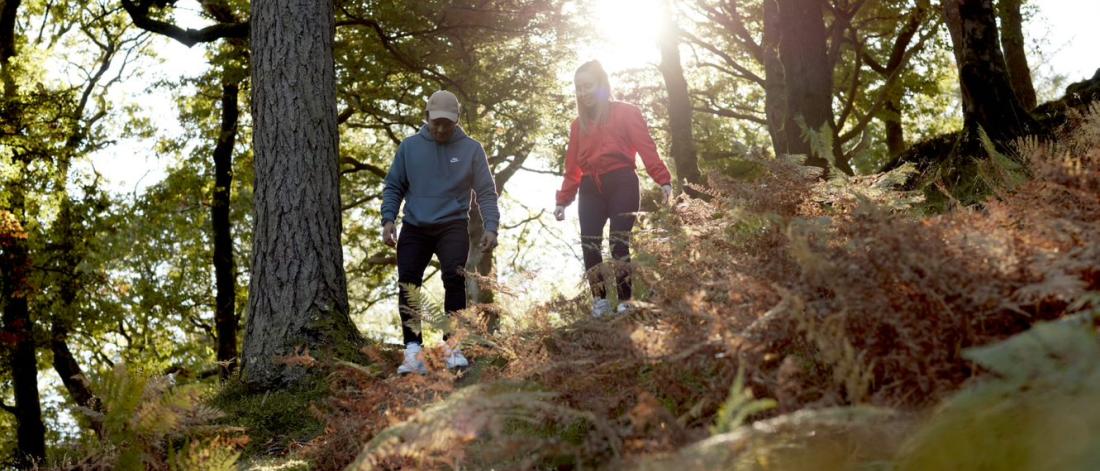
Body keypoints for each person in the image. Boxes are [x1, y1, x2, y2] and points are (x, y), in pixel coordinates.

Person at [381, 90, 500, 375]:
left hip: (452, 224)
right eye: (436, 122)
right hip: (415, 226)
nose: (442, 128)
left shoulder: (471, 149)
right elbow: (394, 185)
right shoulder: (410, 148)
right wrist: (388, 219)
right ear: (427, 118)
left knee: (454, 278)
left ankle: (452, 347)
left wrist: (491, 226)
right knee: (408, 283)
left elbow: (485, 191)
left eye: (448, 123)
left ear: (457, 121)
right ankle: (412, 351)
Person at [554, 60, 673, 318]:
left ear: (601, 85)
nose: (583, 92)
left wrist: (663, 180)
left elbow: (646, 148)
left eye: (588, 86)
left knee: (618, 242)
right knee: (590, 243)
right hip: (590, 187)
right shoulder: (578, 125)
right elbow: (572, 167)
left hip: (622, 182)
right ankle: (600, 302)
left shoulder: (626, 112)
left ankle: (625, 301)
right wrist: (563, 200)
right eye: (579, 88)